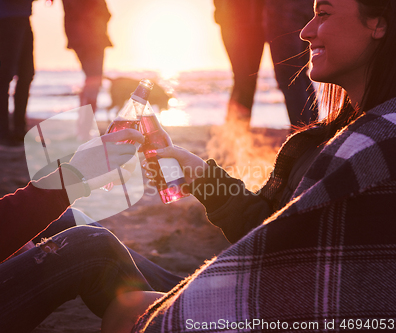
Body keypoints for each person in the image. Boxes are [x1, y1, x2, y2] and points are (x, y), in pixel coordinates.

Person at [104, 0, 396, 331]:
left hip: (288, 310)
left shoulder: (374, 147)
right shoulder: (330, 137)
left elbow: (301, 273)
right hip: (269, 289)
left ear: (377, 24)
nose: (305, 31)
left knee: (123, 306)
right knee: (88, 242)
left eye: (323, 14)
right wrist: (200, 175)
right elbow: (268, 232)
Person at [0, 1, 180, 331]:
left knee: (67, 220)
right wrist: (76, 174)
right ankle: (189, 313)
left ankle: (194, 289)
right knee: (91, 249)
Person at [214, 0, 319, 129]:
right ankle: (311, 135)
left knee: (291, 76)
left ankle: (308, 137)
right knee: (292, 76)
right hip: (243, 12)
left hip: (275, 9)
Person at [61, 0, 113, 140]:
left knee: (91, 82)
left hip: (85, 37)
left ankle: (83, 127)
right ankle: (85, 128)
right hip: (91, 38)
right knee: (93, 83)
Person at [0, 0, 34, 147]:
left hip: (20, 13)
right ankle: (4, 134)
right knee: (7, 73)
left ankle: (19, 132)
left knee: (26, 73)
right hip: (7, 14)